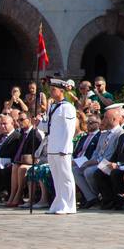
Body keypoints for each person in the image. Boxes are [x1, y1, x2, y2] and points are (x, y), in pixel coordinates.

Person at [43, 77, 77, 214]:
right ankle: (58, 203)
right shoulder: (52, 106)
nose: (51, 92)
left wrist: (65, 148)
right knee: (57, 177)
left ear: (62, 91)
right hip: (52, 147)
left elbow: (69, 130)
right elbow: (49, 127)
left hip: (62, 148)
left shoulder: (68, 107)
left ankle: (69, 205)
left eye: (54, 90)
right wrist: (38, 123)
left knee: (66, 177)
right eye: (50, 90)